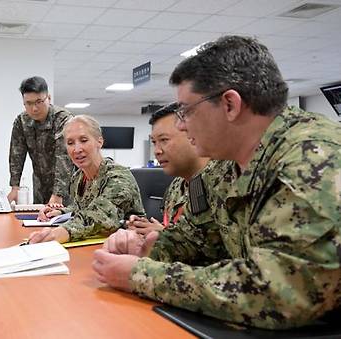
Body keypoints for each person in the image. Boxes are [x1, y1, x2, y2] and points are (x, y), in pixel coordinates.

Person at [93, 35, 341, 329]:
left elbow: (280, 294)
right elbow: (197, 237)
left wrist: (140, 276)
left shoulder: (313, 158)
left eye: (185, 111)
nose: (181, 125)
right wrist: (144, 249)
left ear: (230, 105)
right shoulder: (223, 166)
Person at [27, 115, 144, 244]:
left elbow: (100, 215)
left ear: (99, 141)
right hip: (98, 243)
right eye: (70, 143)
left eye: (83, 140)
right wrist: (60, 212)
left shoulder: (119, 177)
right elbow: (82, 209)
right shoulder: (78, 178)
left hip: (131, 248)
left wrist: (59, 233)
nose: (77, 149)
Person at [126, 103, 230, 236]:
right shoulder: (176, 185)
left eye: (164, 140)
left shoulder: (223, 181)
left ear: (192, 134)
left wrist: (162, 234)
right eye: (154, 142)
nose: (157, 151)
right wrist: (145, 227)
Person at [8, 76, 74, 206]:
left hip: (67, 186)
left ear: (48, 98)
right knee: (39, 221)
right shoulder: (22, 121)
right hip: (39, 184)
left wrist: (58, 194)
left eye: (38, 102)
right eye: (29, 103)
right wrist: (15, 187)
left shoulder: (63, 119)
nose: (34, 108)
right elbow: (16, 155)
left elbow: (64, 159)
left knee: (64, 220)